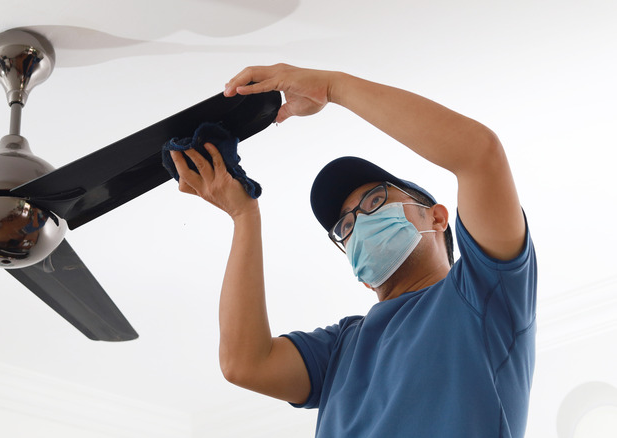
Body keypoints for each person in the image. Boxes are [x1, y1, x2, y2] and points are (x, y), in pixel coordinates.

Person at [169, 64, 536, 437]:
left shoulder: (483, 294)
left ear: (438, 218)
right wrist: (243, 214)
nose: (359, 224)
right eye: (345, 227)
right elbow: (245, 363)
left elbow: (479, 154)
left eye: (375, 200)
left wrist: (332, 87)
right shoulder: (343, 347)